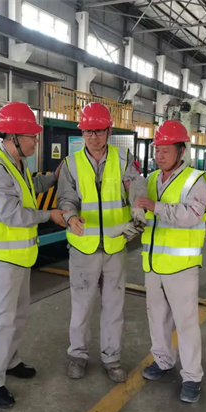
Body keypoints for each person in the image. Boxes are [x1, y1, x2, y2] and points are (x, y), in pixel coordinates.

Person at [0, 102, 67, 409]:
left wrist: (53, 178)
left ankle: (10, 361)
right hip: (0, 259)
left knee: (17, 316)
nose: (36, 141)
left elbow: (30, 188)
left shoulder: (16, 164)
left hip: (19, 257)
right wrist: (50, 215)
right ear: (13, 136)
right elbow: (12, 214)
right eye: (32, 136)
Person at [57, 102, 146, 382]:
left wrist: (138, 208)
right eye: (87, 131)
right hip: (83, 247)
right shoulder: (71, 163)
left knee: (114, 306)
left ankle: (112, 358)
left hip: (115, 246)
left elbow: (137, 185)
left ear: (109, 131)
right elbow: (66, 197)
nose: (93, 137)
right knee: (81, 306)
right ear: (82, 133)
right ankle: (78, 355)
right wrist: (70, 216)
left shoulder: (123, 159)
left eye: (98, 131)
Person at [134, 120, 206, 403]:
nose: (160, 155)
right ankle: (163, 360)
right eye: (157, 149)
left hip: (181, 266)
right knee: (157, 317)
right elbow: (145, 216)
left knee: (186, 322)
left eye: (166, 150)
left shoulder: (196, 180)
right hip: (153, 264)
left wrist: (154, 206)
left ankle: (191, 376)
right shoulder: (152, 179)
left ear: (181, 151)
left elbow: (191, 215)